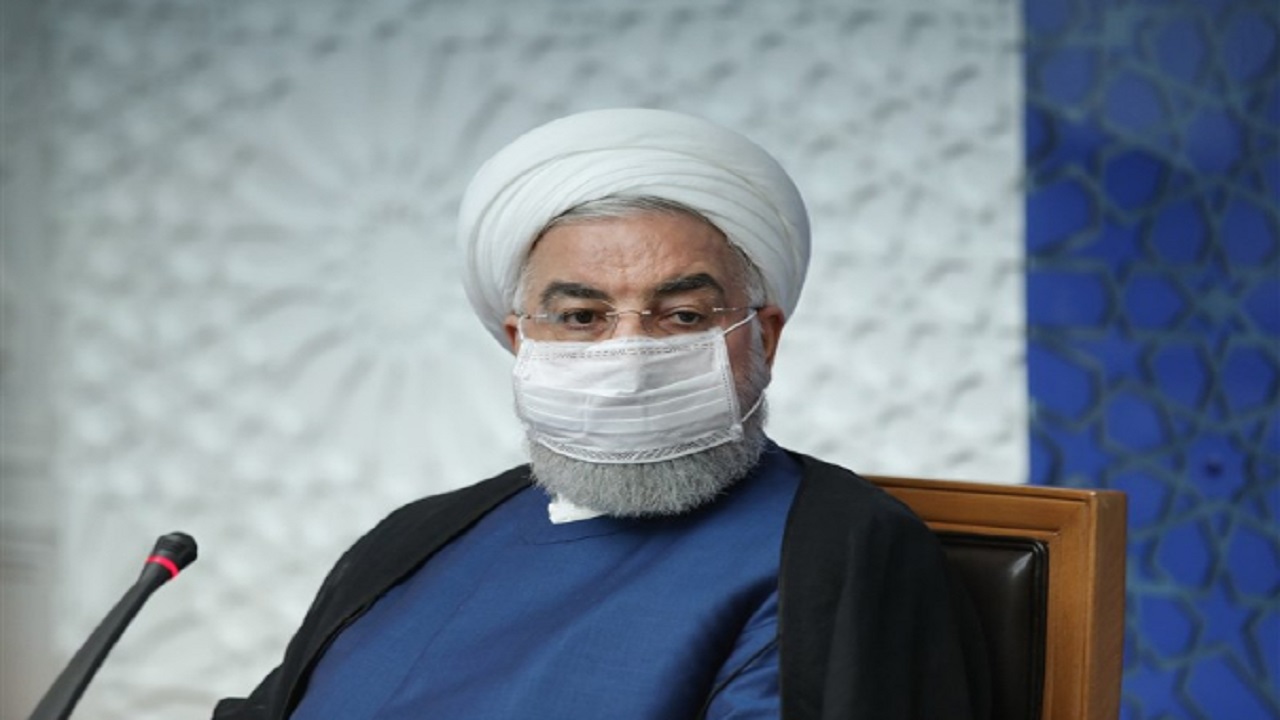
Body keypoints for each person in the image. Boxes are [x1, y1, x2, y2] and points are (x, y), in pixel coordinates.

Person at [213, 108, 988, 719]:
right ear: (520, 341)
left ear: (764, 337)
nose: (629, 358)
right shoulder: (417, 538)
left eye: (682, 316)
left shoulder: (834, 550)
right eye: (581, 317)